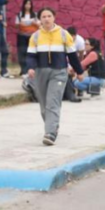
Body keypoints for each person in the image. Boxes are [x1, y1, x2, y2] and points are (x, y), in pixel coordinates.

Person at [26, 8, 84, 146]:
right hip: (40, 72)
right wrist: (30, 68)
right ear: (40, 19)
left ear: (54, 17)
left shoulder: (64, 35)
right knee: (44, 104)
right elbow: (31, 56)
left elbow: (72, 55)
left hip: (59, 72)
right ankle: (53, 125)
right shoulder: (35, 36)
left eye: (49, 16)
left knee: (53, 101)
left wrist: (79, 71)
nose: (46, 19)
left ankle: (50, 133)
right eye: (43, 16)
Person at [15, 0, 39, 77]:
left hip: (31, 37)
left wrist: (33, 23)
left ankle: (30, 69)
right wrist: (23, 24)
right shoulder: (20, 14)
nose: (28, 6)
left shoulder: (35, 15)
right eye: (26, 4)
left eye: (29, 4)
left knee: (30, 53)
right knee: (22, 52)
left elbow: (39, 25)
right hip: (22, 36)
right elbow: (17, 25)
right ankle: (23, 70)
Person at [63, 26, 86, 103]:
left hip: (76, 58)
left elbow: (81, 55)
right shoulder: (63, 39)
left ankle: (79, 90)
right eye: (70, 36)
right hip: (65, 59)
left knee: (77, 75)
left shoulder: (80, 41)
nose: (72, 38)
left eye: (73, 36)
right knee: (67, 74)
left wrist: (77, 67)